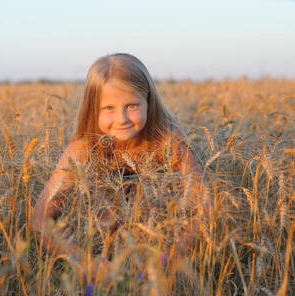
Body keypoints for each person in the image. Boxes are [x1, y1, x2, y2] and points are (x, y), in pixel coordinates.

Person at [33, 53, 208, 271]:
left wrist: (169, 260)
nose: (122, 119)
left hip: (160, 253)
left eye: (132, 105)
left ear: (148, 101)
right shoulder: (83, 150)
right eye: (108, 108)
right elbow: (41, 218)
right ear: (92, 109)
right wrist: (85, 263)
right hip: (97, 254)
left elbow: (204, 208)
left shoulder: (168, 142)